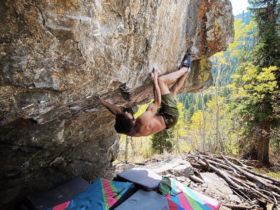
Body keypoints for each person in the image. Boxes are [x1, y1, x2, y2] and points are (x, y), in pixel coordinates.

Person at [99, 55, 191, 137]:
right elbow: (157, 102)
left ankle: (186, 73)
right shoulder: (142, 121)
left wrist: (102, 102)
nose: (126, 112)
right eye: (126, 115)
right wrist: (155, 81)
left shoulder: (126, 128)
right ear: (132, 121)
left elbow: (117, 113)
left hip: (167, 122)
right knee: (161, 81)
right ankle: (185, 68)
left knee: (173, 91)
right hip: (170, 116)